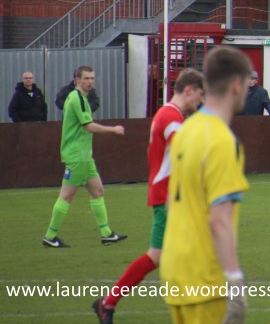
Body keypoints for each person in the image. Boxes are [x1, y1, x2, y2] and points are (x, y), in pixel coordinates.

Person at [92, 69, 205, 324]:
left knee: (158, 256)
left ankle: (108, 303)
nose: (201, 100)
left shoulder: (167, 114)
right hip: (169, 198)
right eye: (200, 94)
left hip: (166, 195)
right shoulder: (172, 117)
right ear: (189, 90)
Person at [161, 47, 252, 324]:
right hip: (206, 280)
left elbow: (170, 202)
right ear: (236, 85)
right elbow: (219, 219)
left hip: (175, 270)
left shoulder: (185, 130)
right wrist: (234, 280)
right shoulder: (222, 141)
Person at [42, 65, 127, 249]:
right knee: (67, 196)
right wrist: (113, 129)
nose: (90, 82)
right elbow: (89, 126)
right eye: (86, 78)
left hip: (85, 156)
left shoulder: (80, 98)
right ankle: (50, 236)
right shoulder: (77, 98)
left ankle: (106, 234)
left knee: (98, 192)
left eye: (92, 78)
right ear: (77, 80)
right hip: (77, 156)